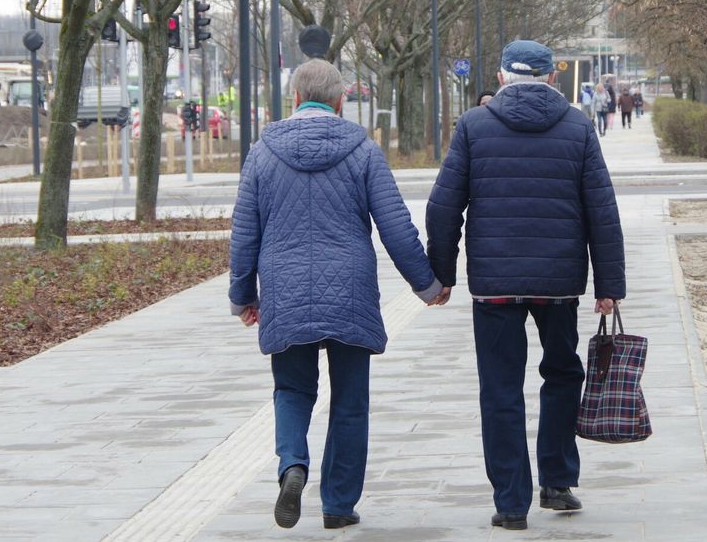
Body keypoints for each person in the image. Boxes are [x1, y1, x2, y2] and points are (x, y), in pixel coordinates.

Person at [229, 59, 444, 531]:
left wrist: (243, 295)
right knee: (350, 400)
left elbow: (244, 233)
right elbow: (394, 225)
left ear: (294, 98)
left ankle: (293, 465)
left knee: (292, 388)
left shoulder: (262, 153)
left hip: (284, 289)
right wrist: (426, 285)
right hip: (349, 290)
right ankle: (339, 504)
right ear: (341, 100)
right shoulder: (363, 151)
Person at [426, 40, 626, 531]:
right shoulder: (578, 127)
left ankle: (511, 503)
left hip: (494, 285)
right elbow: (602, 211)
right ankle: (556, 482)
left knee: (500, 388)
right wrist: (609, 285)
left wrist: (442, 275)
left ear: (500, 78)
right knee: (561, 374)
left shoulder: (474, 126)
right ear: (551, 78)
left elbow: (444, 206)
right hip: (558, 282)